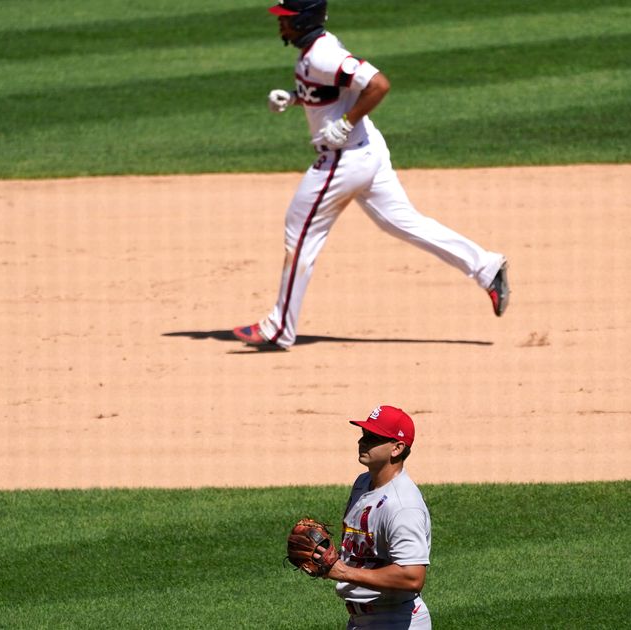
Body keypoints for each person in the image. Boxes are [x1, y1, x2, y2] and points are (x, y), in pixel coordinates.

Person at [233, 0, 510, 350]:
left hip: (344, 159)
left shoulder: (323, 56)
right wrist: (294, 98)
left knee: (299, 230)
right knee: (401, 222)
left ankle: (278, 328)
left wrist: (345, 124)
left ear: (303, 21)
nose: (281, 25)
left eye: (287, 19)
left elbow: (379, 84)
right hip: (367, 152)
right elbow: (333, 92)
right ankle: (487, 267)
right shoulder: (317, 51)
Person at [328, 405, 433, 629]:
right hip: (360, 620)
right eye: (364, 435)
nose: (362, 442)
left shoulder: (403, 506)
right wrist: (327, 558)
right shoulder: (362, 483)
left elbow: (412, 576)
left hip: (395, 620)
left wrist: (342, 571)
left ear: (397, 448)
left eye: (373, 438)